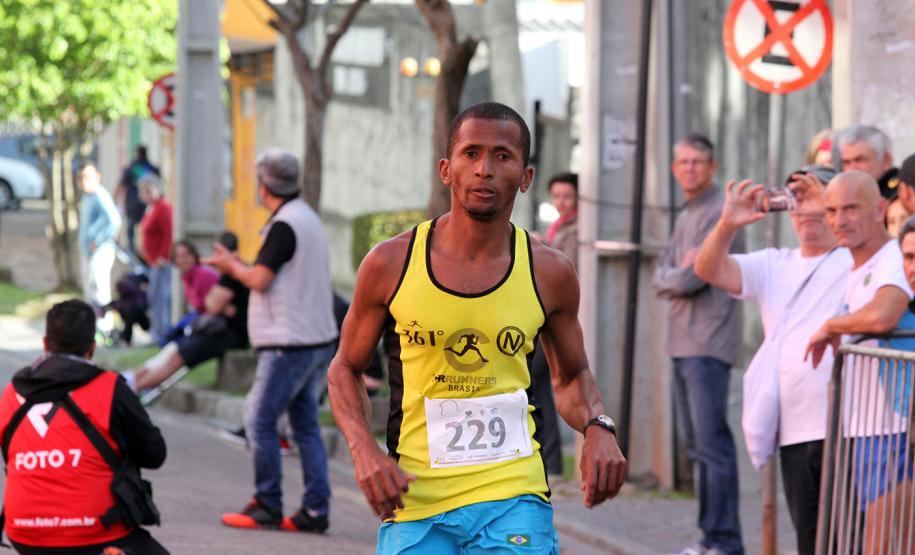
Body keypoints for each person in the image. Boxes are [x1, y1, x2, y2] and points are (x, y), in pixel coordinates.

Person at [327, 102, 627, 555]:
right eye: (471, 153)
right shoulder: (391, 263)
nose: (484, 169)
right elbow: (345, 369)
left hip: (514, 492)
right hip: (416, 498)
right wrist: (363, 449)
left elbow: (572, 376)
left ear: (525, 177)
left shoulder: (549, 272)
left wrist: (598, 426)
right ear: (446, 170)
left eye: (502, 156)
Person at [694, 165, 849, 555]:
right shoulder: (774, 262)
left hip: (849, 428)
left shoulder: (855, 259)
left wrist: (828, 202)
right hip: (795, 431)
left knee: (849, 539)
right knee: (810, 542)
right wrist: (727, 223)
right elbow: (708, 268)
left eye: (814, 197)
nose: (804, 209)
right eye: (796, 199)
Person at [204, 149, 338, 533]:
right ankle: (315, 510)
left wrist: (230, 266)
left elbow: (260, 279)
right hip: (316, 338)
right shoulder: (307, 218)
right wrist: (237, 264)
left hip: (289, 342)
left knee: (259, 419)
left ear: (264, 186)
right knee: (304, 425)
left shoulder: (284, 225)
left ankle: (267, 503)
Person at [0, 299, 167, 554]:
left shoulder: (11, 393)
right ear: (92, 348)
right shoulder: (110, 389)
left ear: (45, 344)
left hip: (24, 533)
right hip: (96, 533)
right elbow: (154, 455)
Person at [803, 171, 913, 555]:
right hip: (866, 428)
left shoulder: (893, 259)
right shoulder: (855, 266)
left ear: (880, 208)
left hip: (895, 427)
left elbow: (884, 315)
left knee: (881, 544)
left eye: (851, 208)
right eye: (832, 211)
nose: (839, 220)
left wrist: (832, 325)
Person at [652, 134, 744, 555]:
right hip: (682, 343)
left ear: (712, 167)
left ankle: (724, 541)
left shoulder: (719, 213)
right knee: (699, 449)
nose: (689, 168)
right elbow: (661, 272)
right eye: (683, 162)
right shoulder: (688, 212)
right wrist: (675, 274)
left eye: (697, 162)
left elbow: (693, 277)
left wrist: (677, 274)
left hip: (707, 343)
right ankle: (710, 538)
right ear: (674, 169)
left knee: (713, 447)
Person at [127, 232, 249, 392]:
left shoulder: (216, 274)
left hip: (222, 332)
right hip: (212, 328)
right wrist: (216, 301)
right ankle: (131, 381)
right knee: (171, 349)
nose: (214, 256)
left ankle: (133, 387)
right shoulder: (197, 276)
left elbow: (211, 306)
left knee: (177, 353)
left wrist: (214, 300)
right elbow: (211, 303)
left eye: (217, 251)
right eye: (178, 256)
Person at [77, 163, 121, 328]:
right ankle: (92, 325)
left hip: (101, 251)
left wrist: (98, 240)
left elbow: (114, 220)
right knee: (89, 288)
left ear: (97, 177)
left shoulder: (100, 195)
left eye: (88, 177)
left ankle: (104, 326)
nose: (84, 182)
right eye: (81, 178)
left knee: (99, 288)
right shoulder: (87, 197)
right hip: (87, 251)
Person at [138, 174, 173, 343]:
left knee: (160, 297)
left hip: (161, 262)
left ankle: (162, 332)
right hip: (151, 261)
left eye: (149, 190)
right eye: (143, 191)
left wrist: (163, 256)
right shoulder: (149, 209)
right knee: (153, 296)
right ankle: (156, 331)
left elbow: (169, 233)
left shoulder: (163, 207)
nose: (146, 194)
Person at [117, 145, 160, 255]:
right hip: (147, 206)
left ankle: (132, 252)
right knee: (146, 230)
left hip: (132, 205)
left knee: (131, 231)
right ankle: (144, 251)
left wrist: (117, 200)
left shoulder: (130, 168)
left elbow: (122, 186)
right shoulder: (152, 168)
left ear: (137, 153)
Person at [835, 124, 898, 199]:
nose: (852, 169)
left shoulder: (900, 194)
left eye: (859, 160)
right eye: (846, 162)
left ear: (886, 160)